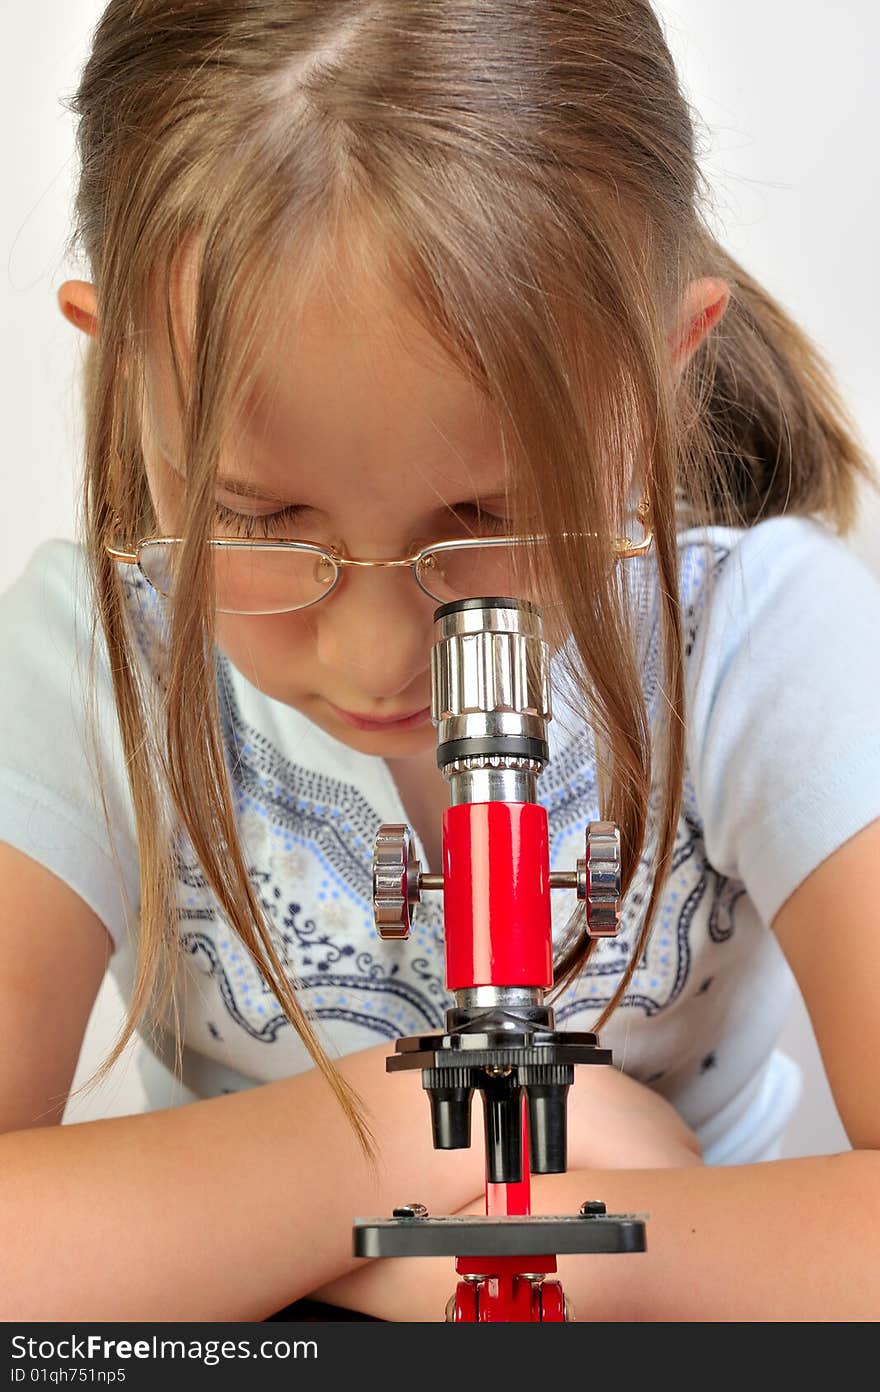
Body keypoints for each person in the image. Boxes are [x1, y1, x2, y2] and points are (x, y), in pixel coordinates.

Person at [1, 0, 878, 1324]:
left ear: (661, 373)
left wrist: (574, 1256)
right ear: (127, 372)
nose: (375, 653)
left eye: (487, 515)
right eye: (261, 520)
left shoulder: (767, 641)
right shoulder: (86, 662)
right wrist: (433, 1135)